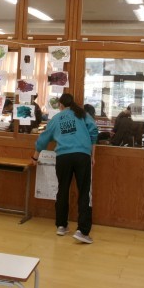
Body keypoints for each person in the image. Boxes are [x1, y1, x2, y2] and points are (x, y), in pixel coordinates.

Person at [31, 93, 98, 244]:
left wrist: (35, 157)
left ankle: (61, 226)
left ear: (61, 105)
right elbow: (94, 131)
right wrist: (92, 155)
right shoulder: (82, 114)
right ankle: (83, 231)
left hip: (63, 157)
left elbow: (43, 139)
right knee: (84, 192)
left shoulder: (55, 119)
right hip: (82, 155)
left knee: (62, 189)